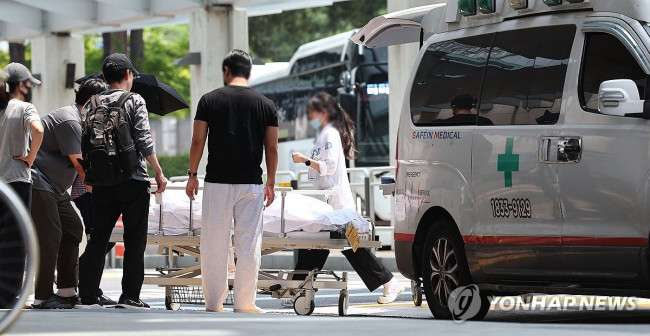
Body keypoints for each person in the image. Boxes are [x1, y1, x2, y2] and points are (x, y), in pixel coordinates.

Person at [289, 92, 405, 305]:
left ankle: (297, 288)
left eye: (312, 112)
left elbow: (328, 167)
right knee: (325, 245)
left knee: (349, 247)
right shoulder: (325, 134)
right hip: (329, 206)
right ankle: (298, 288)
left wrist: (305, 161)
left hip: (337, 207)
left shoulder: (330, 134)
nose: (310, 117)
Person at [186, 49, 279, 313]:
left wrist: (193, 175)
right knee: (249, 243)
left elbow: (197, 141)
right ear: (249, 72)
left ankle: (214, 302)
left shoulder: (209, 100)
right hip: (251, 183)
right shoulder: (266, 105)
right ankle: (245, 302)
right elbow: (271, 149)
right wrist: (270, 181)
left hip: (217, 183)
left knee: (214, 243)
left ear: (226, 71)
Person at [78, 53, 167, 309]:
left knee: (99, 237)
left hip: (102, 182)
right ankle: (129, 296)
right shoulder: (135, 100)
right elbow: (143, 139)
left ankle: (87, 294)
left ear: (104, 78)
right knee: (134, 239)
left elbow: (84, 143)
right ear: (129, 74)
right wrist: (158, 171)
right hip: (132, 179)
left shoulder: (90, 104)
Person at [28, 78, 111, 309]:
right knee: (51, 236)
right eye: (103, 105)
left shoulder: (84, 122)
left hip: (55, 187)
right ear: (92, 101)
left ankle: (66, 291)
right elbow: (81, 167)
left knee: (73, 229)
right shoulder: (70, 121)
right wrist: (103, 195)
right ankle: (42, 297)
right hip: (38, 180)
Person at [70, 78, 117, 307]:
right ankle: (88, 284)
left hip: (90, 187)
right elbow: (80, 161)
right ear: (92, 98)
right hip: (86, 189)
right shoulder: (79, 119)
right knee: (99, 238)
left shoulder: (86, 117)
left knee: (101, 239)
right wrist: (93, 187)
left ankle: (91, 286)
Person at [0, 64, 43, 309]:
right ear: (20, 85)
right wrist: (30, 157)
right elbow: (38, 130)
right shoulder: (24, 108)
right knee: (15, 241)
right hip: (16, 181)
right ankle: (8, 296)